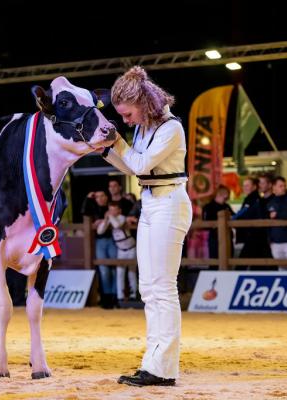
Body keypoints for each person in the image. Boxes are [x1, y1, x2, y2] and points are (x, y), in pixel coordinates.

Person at [101, 66, 192, 386]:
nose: (125, 121)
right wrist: (106, 148)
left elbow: (139, 163)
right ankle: (154, 363)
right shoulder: (143, 128)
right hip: (152, 202)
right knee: (149, 288)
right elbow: (134, 167)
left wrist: (117, 141)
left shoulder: (171, 128)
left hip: (170, 203)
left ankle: (163, 368)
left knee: (163, 287)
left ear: (141, 102)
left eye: (127, 114)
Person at [81, 190, 118, 309]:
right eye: (97, 197)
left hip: (114, 240)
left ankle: (116, 296)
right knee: (104, 270)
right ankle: (106, 297)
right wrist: (87, 197)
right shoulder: (94, 209)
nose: (100, 198)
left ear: (107, 197)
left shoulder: (113, 207)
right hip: (100, 241)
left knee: (116, 268)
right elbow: (84, 211)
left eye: (102, 196)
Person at [97, 201, 137, 302]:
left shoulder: (122, 217)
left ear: (119, 210)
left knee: (132, 272)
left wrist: (109, 217)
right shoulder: (110, 219)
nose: (111, 212)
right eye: (110, 210)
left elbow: (117, 225)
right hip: (120, 250)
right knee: (120, 273)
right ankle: (120, 296)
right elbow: (100, 231)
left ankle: (133, 294)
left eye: (114, 210)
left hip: (131, 248)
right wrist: (106, 220)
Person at [232, 177, 272, 270]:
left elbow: (245, 215)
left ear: (254, 187)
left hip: (254, 236)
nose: (244, 187)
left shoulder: (255, 200)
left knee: (243, 264)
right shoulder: (251, 199)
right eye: (243, 185)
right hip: (253, 236)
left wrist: (234, 219)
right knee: (256, 264)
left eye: (247, 185)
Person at [201, 185, 234, 265]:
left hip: (228, 237)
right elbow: (205, 222)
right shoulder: (208, 207)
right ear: (220, 193)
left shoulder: (226, 206)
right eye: (226, 193)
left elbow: (234, 217)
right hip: (215, 238)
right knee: (215, 261)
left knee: (229, 259)